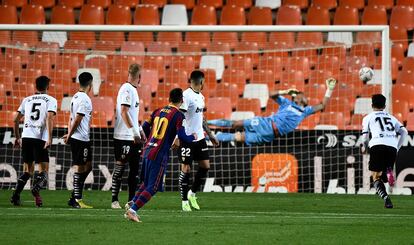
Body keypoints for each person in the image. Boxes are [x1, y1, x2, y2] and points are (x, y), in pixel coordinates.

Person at [125, 88, 196, 222]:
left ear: (169, 98)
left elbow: (144, 128)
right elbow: (181, 135)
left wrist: (144, 139)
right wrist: (193, 137)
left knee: (146, 183)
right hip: (159, 154)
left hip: (147, 150)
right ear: (182, 100)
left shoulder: (157, 111)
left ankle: (131, 204)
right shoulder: (178, 115)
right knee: (153, 187)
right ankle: (133, 210)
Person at [208, 78, 337, 145]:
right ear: (297, 98)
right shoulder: (287, 103)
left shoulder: (305, 111)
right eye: (300, 94)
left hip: (270, 135)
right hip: (265, 123)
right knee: (235, 124)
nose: (303, 95)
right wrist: (285, 91)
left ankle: (208, 135)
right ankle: (206, 122)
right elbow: (271, 94)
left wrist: (329, 89)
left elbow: (322, 105)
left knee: (237, 137)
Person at [174, 70, 219, 212]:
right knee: (186, 168)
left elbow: (202, 117)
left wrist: (210, 134)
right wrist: (176, 137)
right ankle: (184, 201)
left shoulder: (201, 97)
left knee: (205, 166)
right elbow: (178, 117)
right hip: (186, 138)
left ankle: (192, 193)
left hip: (200, 138)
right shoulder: (186, 96)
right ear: (202, 81)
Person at [10, 76, 57, 207]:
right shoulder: (51, 100)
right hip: (39, 138)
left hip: (26, 137)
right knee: (43, 172)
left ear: (36, 86)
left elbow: (15, 120)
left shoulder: (27, 99)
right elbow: (49, 118)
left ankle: (15, 196)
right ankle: (36, 189)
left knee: (27, 171)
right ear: (48, 86)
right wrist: (49, 138)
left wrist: (18, 138)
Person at [360, 94, 408, 208]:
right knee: (384, 176)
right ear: (385, 105)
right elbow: (404, 132)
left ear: (372, 105)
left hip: (377, 144)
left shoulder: (368, 117)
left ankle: (387, 199)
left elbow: (365, 137)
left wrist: (365, 147)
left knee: (376, 177)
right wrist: (397, 147)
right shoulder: (391, 117)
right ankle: (388, 170)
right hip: (391, 146)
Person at [111, 63, 146, 209]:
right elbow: (124, 111)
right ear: (139, 76)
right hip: (123, 136)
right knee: (120, 167)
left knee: (134, 170)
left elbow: (131, 114)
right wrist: (133, 132)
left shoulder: (133, 90)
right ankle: (114, 200)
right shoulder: (126, 89)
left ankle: (131, 201)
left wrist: (140, 130)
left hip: (133, 136)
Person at [63, 72, 94, 209]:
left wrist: (70, 133)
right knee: (81, 167)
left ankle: (74, 195)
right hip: (80, 138)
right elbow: (77, 119)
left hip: (82, 138)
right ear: (91, 84)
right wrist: (69, 135)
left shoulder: (75, 97)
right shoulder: (84, 99)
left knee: (88, 166)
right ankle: (77, 199)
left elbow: (71, 118)